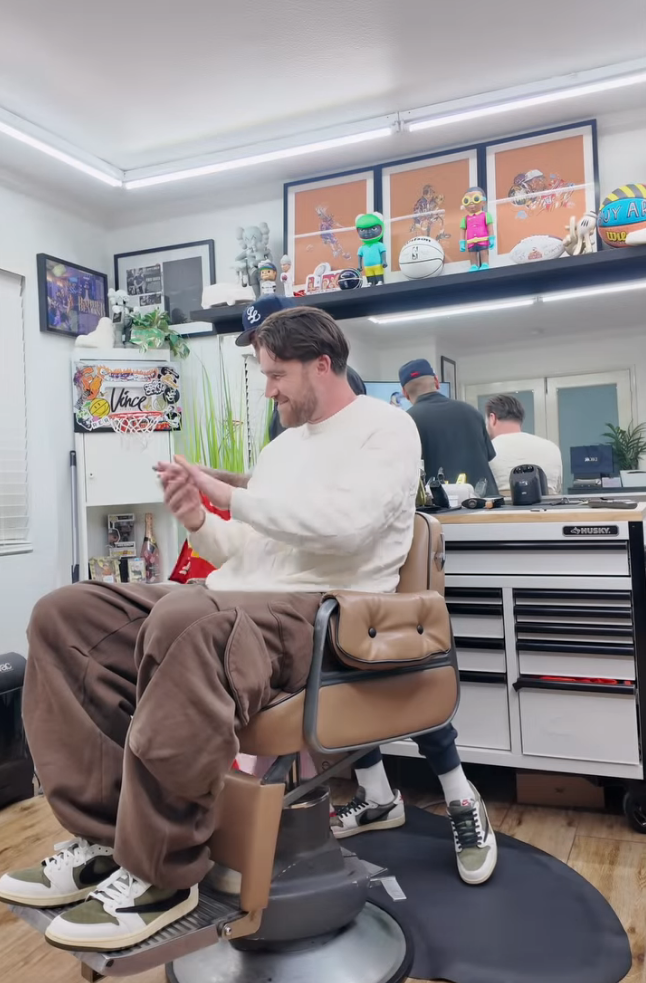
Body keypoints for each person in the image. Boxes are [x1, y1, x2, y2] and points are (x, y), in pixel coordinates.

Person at [0, 307, 422, 952]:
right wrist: (199, 517)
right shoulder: (282, 448)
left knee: (188, 617)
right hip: (235, 603)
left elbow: (348, 526)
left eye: (277, 375)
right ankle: (106, 838)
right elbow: (241, 553)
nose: (268, 389)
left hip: (324, 612)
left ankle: (161, 872)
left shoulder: (385, 430)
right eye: (262, 375)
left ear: (322, 364)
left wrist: (231, 495)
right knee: (65, 614)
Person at [234, 294, 366, 442]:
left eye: (268, 337)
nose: (263, 350)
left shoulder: (339, 378)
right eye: (256, 344)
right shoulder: (283, 391)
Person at [401, 358, 499, 494]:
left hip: (442, 508)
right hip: (485, 503)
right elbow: (488, 457)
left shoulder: (406, 421)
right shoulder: (471, 412)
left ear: (405, 393)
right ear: (436, 382)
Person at [485, 394, 563, 495]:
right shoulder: (551, 448)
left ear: (492, 419)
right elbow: (557, 491)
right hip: (546, 509)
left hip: (499, 510)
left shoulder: (487, 450)